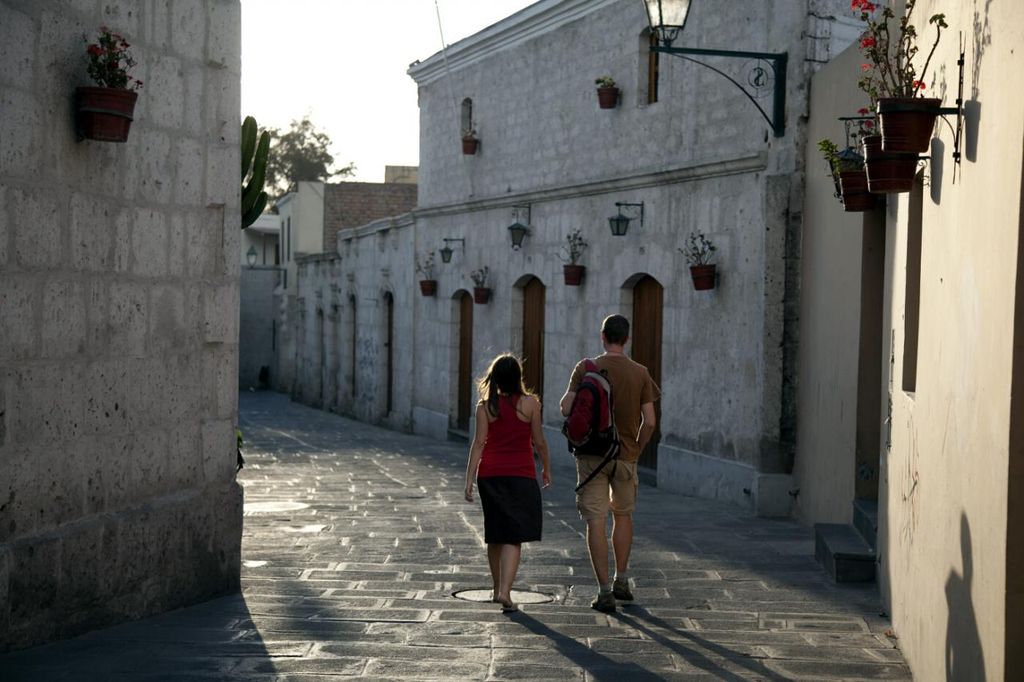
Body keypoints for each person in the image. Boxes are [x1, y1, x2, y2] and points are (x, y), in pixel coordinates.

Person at [559, 314, 659, 613]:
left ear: (603, 336)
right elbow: (650, 421)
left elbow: (565, 407)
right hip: (625, 455)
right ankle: (622, 579)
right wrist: (636, 449)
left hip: (591, 456)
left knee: (596, 520)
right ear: (626, 339)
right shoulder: (640, 372)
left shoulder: (586, 367)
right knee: (623, 516)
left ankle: (604, 592)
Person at [464, 354, 552, 612]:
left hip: (490, 476)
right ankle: (505, 592)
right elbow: (539, 441)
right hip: (521, 476)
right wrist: (546, 467)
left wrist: (469, 479)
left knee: (495, 534)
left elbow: (479, 443)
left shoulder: (485, 407)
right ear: (518, 377)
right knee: (513, 536)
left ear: (495, 378)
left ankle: (495, 589)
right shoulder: (531, 404)